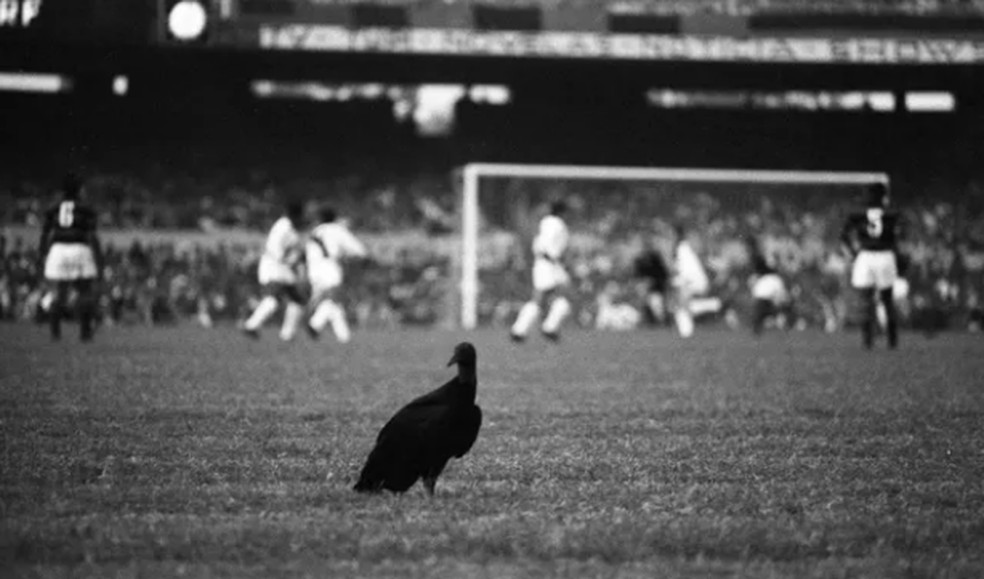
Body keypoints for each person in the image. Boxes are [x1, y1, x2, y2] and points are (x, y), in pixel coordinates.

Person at [38, 173, 103, 341]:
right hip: (79, 248)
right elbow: (92, 235)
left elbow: (45, 233)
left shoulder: (53, 208)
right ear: (78, 190)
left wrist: (42, 254)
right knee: (85, 292)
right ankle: (85, 333)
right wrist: (98, 257)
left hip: (58, 249)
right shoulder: (86, 209)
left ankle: (55, 333)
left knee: (59, 293)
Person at [840, 182, 902, 349]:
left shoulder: (858, 213)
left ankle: (867, 340)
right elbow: (898, 236)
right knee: (887, 299)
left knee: (865, 300)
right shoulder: (892, 213)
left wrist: (853, 253)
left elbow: (844, 236)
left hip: (866, 255)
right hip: (885, 255)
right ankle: (892, 340)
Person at [242, 202, 306, 341]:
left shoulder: (288, 227)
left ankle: (286, 334)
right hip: (275, 267)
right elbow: (277, 250)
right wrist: (291, 260)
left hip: (281, 268)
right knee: (273, 300)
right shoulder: (284, 227)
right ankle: (251, 325)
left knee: (296, 300)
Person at [510, 200, 572, 342]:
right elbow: (546, 243)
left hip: (545, 263)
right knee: (546, 297)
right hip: (549, 264)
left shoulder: (546, 222)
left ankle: (522, 329)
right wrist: (554, 260)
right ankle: (540, 328)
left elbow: (539, 242)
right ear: (562, 212)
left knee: (545, 298)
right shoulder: (555, 223)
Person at [304, 207, 367, 343]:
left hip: (313, 270)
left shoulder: (315, 231)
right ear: (334, 217)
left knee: (335, 304)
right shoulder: (337, 230)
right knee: (333, 299)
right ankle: (315, 324)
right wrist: (347, 256)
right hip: (329, 268)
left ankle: (344, 338)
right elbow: (359, 250)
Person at [670, 226, 709, 338]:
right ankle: (686, 331)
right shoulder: (684, 248)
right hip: (693, 280)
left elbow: (686, 270)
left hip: (693, 281)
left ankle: (686, 331)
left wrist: (681, 281)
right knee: (681, 305)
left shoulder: (682, 248)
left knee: (681, 304)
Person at [747, 238, 790, 335]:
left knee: (761, 317)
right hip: (765, 300)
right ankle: (778, 326)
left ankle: (760, 329)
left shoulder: (770, 278)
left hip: (764, 300)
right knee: (769, 315)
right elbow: (781, 294)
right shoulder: (773, 278)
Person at [633, 235, 670, 326]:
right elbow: (637, 277)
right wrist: (644, 283)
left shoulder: (656, 259)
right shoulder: (639, 260)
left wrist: (652, 282)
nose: (646, 248)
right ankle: (646, 319)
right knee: (642, 293)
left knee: (656, 304)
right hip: (645, 290)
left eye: (648, 246)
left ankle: (661, 321)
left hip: (657, 289)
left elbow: (664, 275)